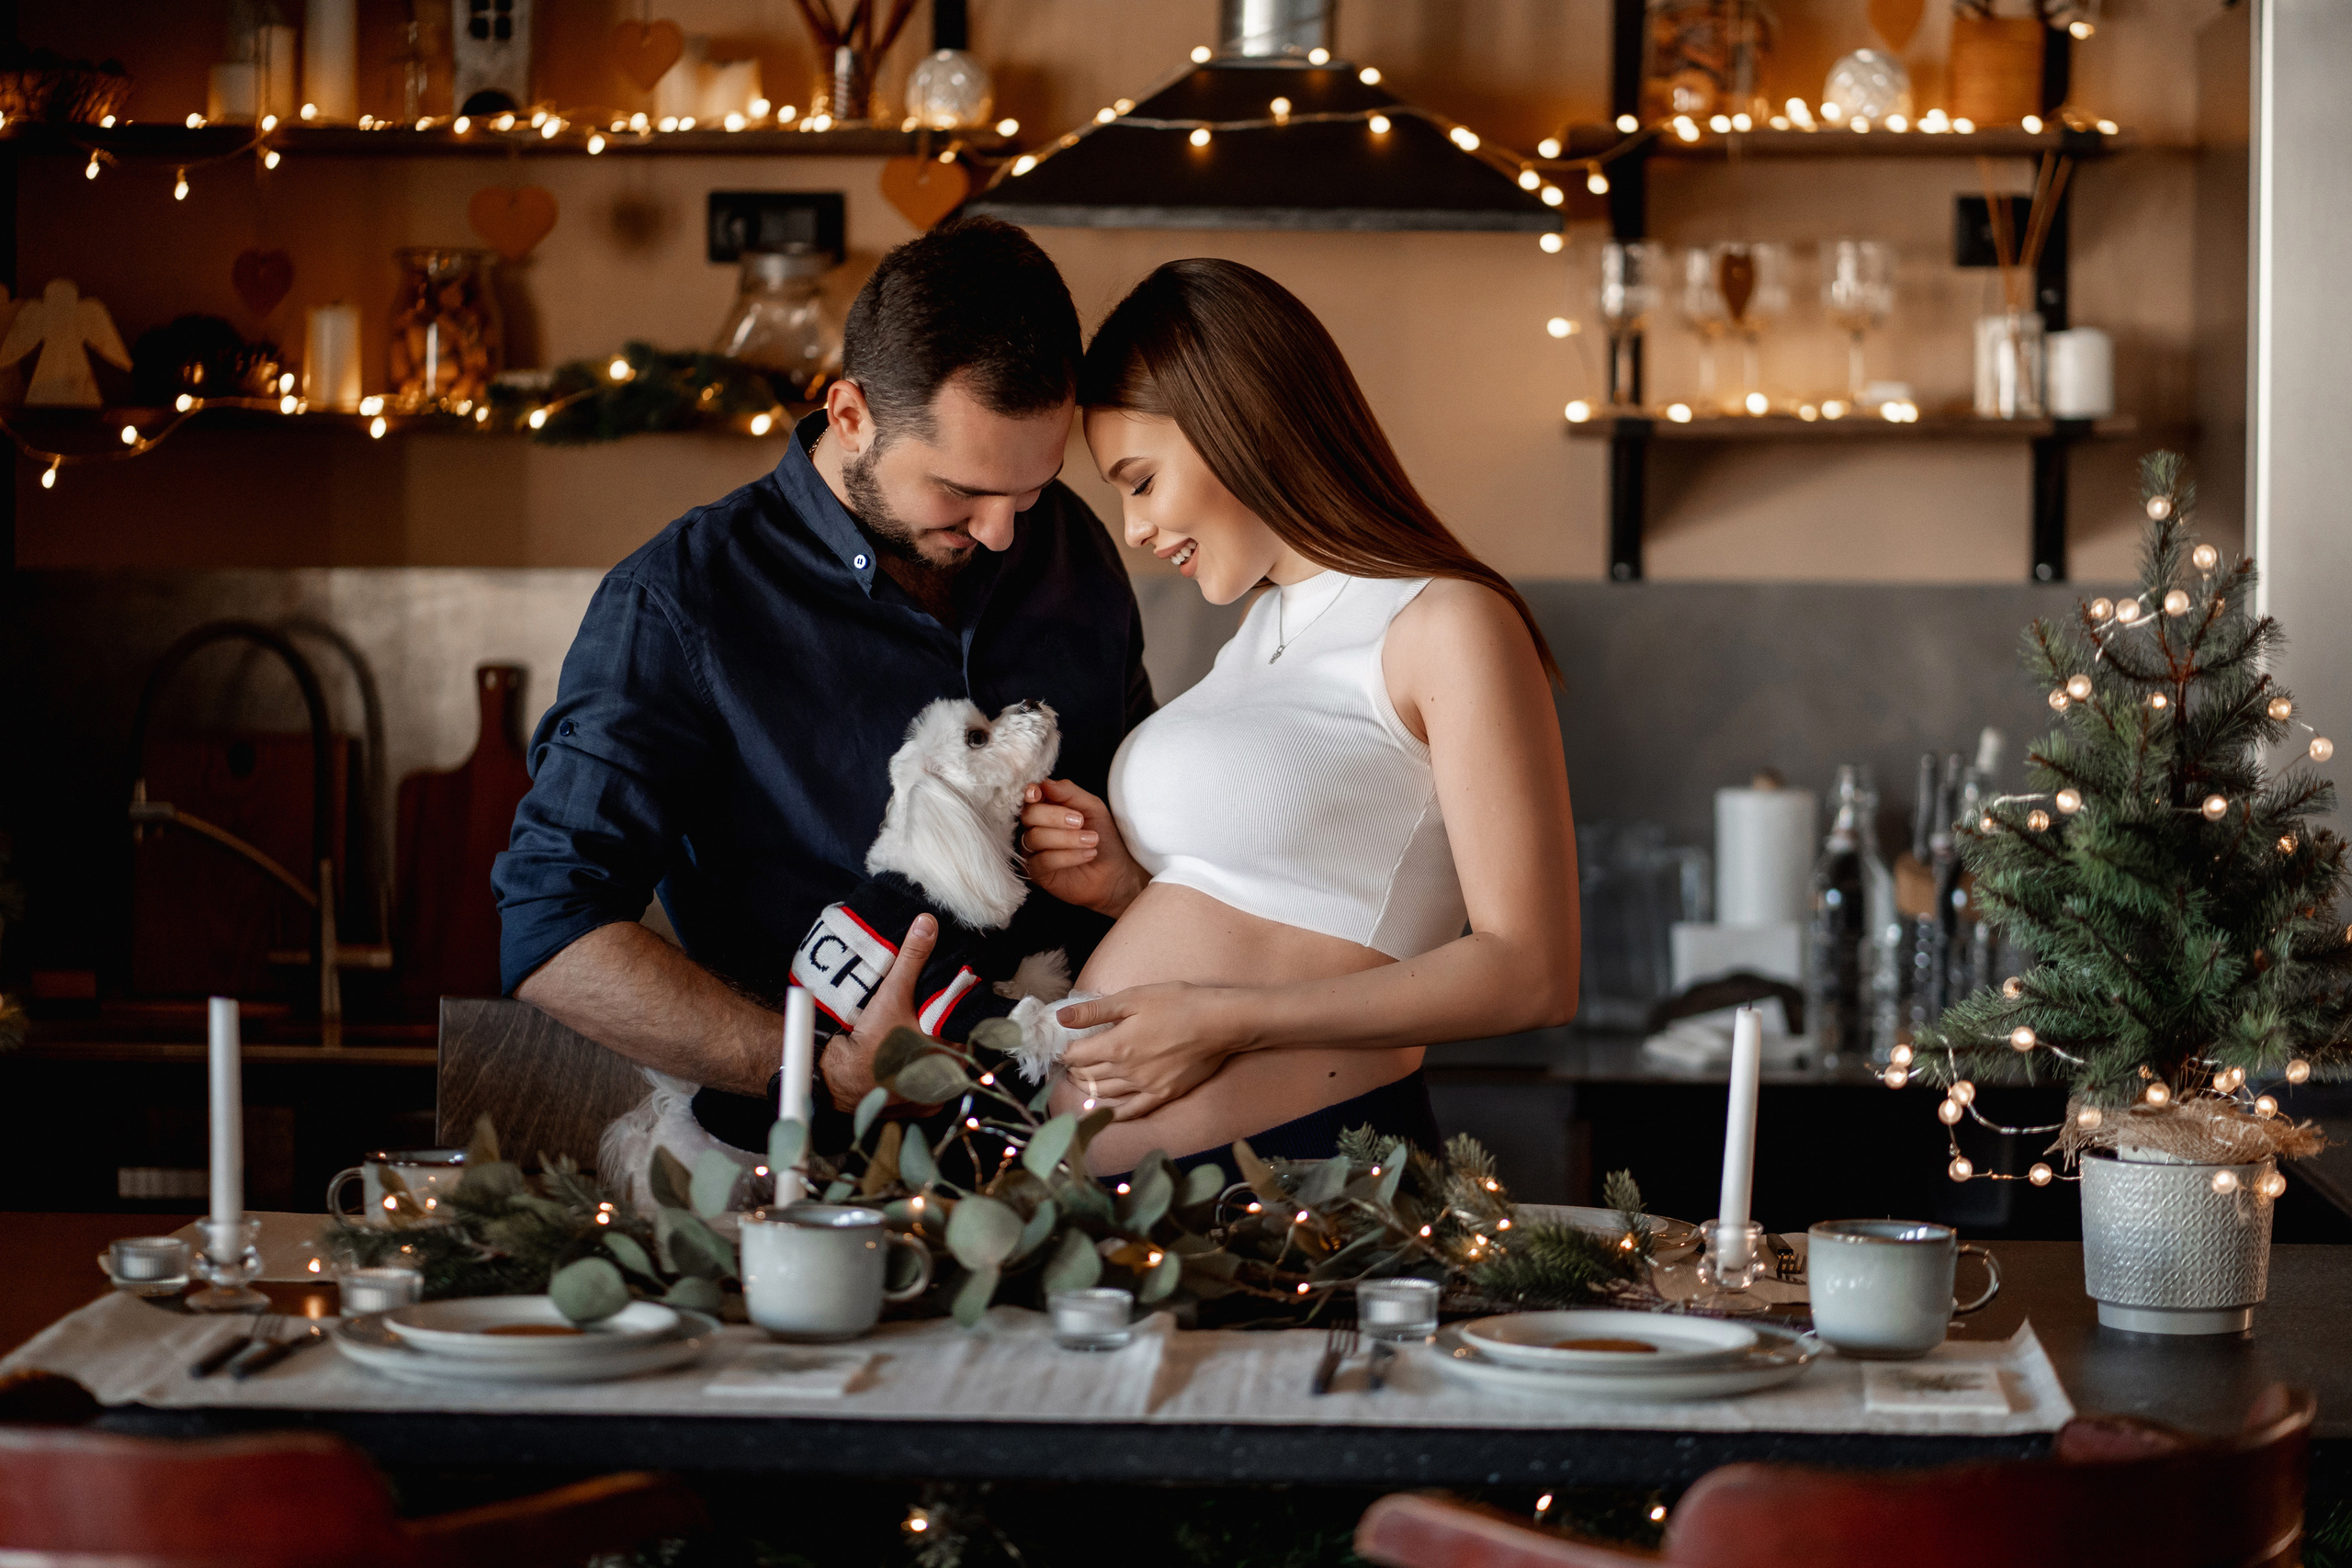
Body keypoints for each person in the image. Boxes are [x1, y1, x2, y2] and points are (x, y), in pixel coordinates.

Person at [493, 217, 1153, 1122]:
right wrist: (819, 1066)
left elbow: (1145, 825)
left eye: (1031, 490)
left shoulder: (1068, 543)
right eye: (961, 491)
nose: (1004, 532)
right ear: (850, 418)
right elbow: (550, 929)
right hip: (820, 1182)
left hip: (1089, 1149)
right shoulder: (682, 600)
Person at [1013, 259, 1581, 1177]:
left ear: (1234, 427)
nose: (1134, 530)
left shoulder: (1444, 622)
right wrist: (1129, 887)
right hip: (1142, 1212)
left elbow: (1532, 970)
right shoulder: (1264, 628)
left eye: (1142, 480)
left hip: (1312, 1179)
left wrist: (1226, 1020)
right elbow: (1287, 910)